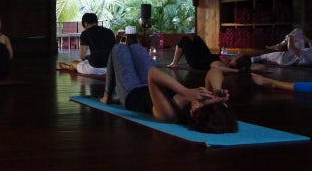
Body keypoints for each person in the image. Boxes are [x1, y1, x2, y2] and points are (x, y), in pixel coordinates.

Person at [100, 41, 238, 133]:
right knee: (135, 46)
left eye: (202, 102)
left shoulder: (170, 115)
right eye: (211, 98)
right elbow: (214, 71)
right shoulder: (206, 102)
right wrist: (216, 89)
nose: (207, 97)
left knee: (119, 48)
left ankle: (107, 95)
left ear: (194, 111)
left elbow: (153, 74)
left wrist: (186, 91)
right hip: (147, 83)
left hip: (132, 91)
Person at [166, 35, 263, 72]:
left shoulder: (223, 64)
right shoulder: (232, 61)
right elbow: (261, 67)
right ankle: (175, 60)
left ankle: (174, 63)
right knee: (196, 38)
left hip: (196, 62)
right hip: (205, 56)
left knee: (184, 40)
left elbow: (215, 67)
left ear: (236, 62)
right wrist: (246, 68)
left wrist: (237, 71)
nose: (238, 53)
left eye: (238, 56)